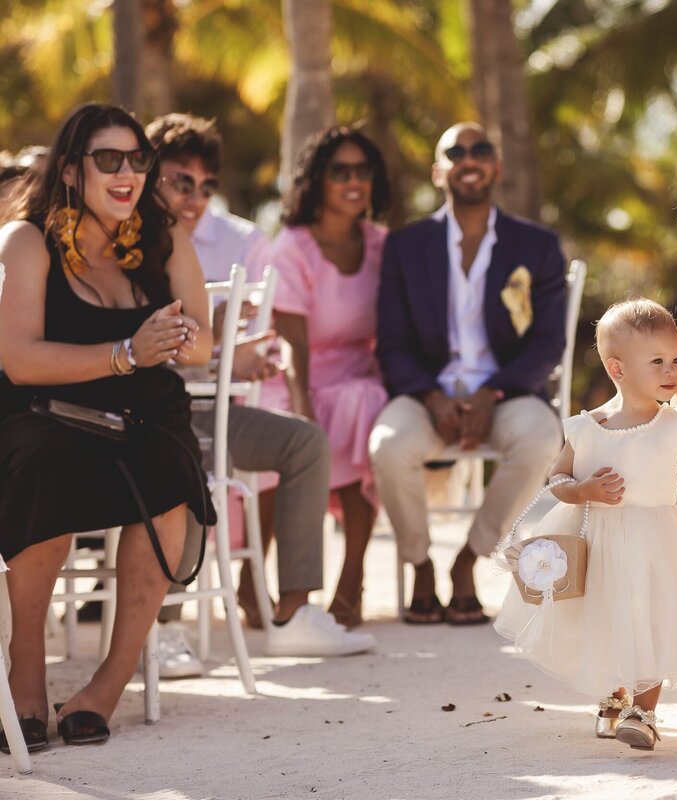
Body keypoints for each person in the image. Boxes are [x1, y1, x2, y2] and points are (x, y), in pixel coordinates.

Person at [0, 103, 214, 751]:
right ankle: (26, 671)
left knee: (169, 480)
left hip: (146, 415)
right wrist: (126, 352)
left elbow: (202, 346)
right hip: (48, 414)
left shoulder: (163, 236)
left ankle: (108, 685)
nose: (127, 174)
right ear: (71, 169)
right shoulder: (27, 240)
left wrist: (173, 338)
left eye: (137, 159)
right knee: (43, 466)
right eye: (108, 160)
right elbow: (18, 359)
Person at [147, 112, 374, 664]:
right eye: (181, 181)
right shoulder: (125, 240)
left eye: (206, 186)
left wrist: (236, 353)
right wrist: (214, 332)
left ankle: (293, 613)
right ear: (150, 175)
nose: (195, 198)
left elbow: (253, 346)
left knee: (303, 440)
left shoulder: (244, 239)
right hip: (148, 412)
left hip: (212, 408)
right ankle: (161, 628)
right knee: (178, 459)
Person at [493, 298, 677, 751]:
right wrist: (582, 491)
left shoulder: (673, 422)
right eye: (657, 361)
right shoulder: (586, 426)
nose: (673, 371)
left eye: (676, 359)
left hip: (655, 542)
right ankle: (613, 694)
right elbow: (557, 478)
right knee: (604, 616)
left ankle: (644, 709)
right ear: (617, 369)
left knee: (650, 619)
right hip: (598, 540)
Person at [370, 122, 565, 626]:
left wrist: (493, 392)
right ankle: (418, 566)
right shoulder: (406, 247)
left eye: (481, 150)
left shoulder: (536, 246)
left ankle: (469, 560)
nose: (469, 159)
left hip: (506, 391)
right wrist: (432, 397)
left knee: (542, 439)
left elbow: (548, 343)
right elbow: (391, 344)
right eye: (456, 152)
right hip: (427, 393)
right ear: (439, 171)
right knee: (387, 447)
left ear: (496, 167)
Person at [258, 126, 390, 629]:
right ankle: (258, 587)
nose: (354, 182)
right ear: (318, 180)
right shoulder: (292, 247)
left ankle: (351, 579)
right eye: (341, 172)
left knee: (366, 403)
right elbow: (291, 341)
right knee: (288, 431)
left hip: (359, 372)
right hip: (293, 375)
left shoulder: (382, 245)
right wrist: (302, 408)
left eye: (363, 171)